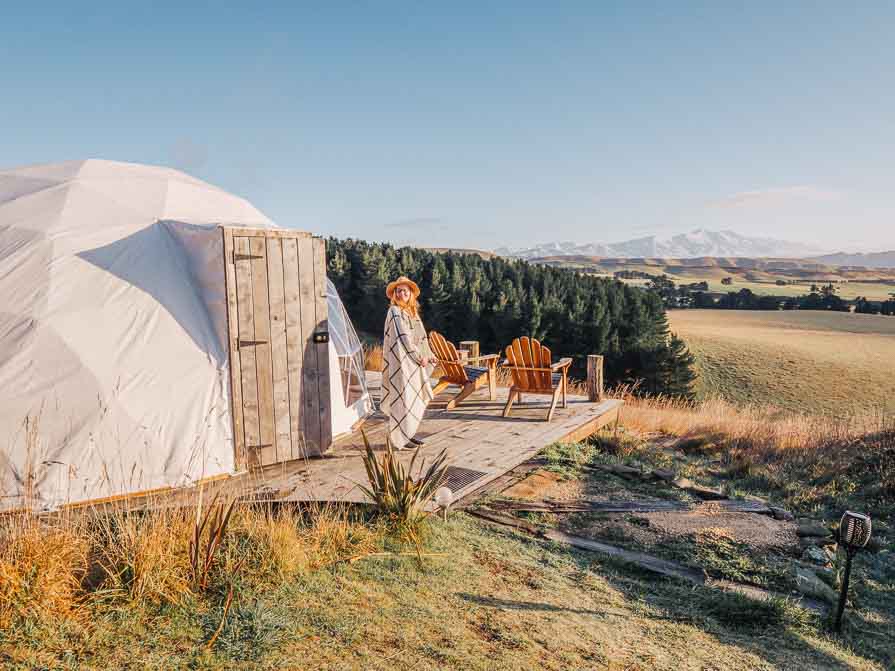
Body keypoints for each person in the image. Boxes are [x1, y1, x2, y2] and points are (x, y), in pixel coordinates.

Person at [380, 276, 436, 449]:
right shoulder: (395, 312)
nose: (401, 293)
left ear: (411, 294)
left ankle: (407, 435)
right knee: (402, 399)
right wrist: (420, 358)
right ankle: (399, 439)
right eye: (398, 291)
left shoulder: (412, 313)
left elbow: (421, 339)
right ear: (394, 295)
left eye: (405, 290)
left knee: (412, 399)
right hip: (401, 364)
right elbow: (404, 338)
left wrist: (429, 355)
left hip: (412, 364)